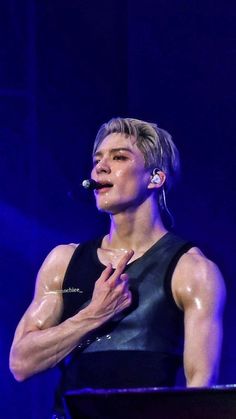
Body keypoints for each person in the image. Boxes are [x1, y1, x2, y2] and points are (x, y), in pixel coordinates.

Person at [10, 118, 226, 417]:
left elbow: (200, 388)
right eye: (97, 159)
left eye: (119, 157)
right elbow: (21, 363)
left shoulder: (192, 270)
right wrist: (92, 315)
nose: (100, 167)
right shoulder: (63, 261)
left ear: (155, 178)